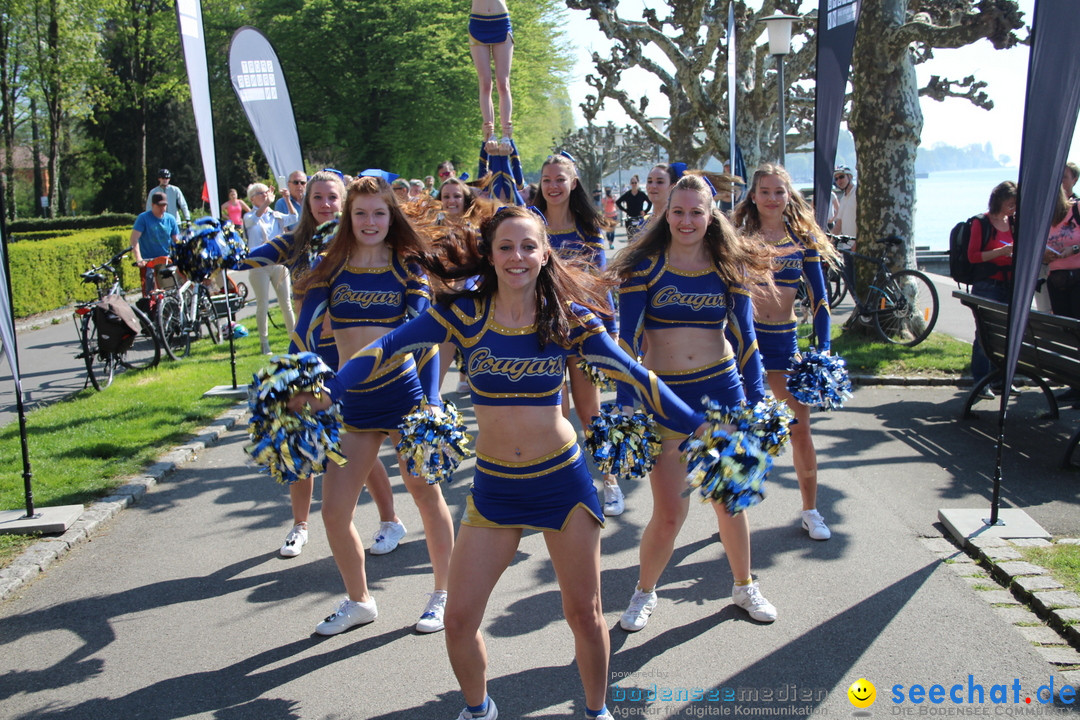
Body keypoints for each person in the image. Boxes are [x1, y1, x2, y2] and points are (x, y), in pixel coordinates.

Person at [291, 206, 706, 720]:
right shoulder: (462, 313)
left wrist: (699, 425)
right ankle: (478, 708)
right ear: (489, 254)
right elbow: (385, 348)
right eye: (506, 246)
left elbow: (639, 377)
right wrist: (328, 391)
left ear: (545, 252)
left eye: (528, 246)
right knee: (461, 619)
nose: (517, 257)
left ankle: (597, 711)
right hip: (494, 487)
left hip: (561, 480)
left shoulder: (568, 318)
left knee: (584, 613)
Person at [611, 174, 779, 633]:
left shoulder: (729, 267)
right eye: (678, 211)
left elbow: (747, 340)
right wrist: (627, 405)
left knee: (731, 501)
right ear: (667, 214)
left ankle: (744, 585)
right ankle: (644, 591)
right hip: (664, 398)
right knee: (669, 512)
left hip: (722, 395)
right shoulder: (643, 268)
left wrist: (757, 400)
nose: (687, 220)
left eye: (696, 212)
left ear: (711, 216)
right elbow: (625, 343)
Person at [291, 175, 455, 636]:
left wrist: (434, 400)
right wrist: (297, 380)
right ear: (348, 217)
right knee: (334, 511)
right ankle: (360, 601)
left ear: (392, 216)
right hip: (352, 403)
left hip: (403, 397)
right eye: (360, 213)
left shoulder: (409, 270)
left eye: (378, 213)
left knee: (424, 493)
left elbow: (418, 336)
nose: (369, 221)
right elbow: (305, 333)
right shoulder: (330, 270)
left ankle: (442, 594)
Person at [236, 170, 401, 559]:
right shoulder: (295, 243)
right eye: (318, 198)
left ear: (345, 202)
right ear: (307, 202)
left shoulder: (359, 243)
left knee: (355, 443)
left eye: (333, 198)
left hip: (351, 358)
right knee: (300, 438)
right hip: (308, 356)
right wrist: (217, 254)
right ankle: (299, 525)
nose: (326, 204)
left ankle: (390, 520)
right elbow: (252, 258)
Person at [732, 163, 840, 543]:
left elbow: (821, 301)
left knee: (800, 430)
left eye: (780, 191)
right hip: (745, 346)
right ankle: (734, 513)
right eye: (765, 191)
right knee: (743, 432)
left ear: (788, 195)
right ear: (754, 196)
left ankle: (811, 510)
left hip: (785, 343)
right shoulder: (738, 239)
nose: (773, 198)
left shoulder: (803, 240)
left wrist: (822, 351)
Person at [533, 152, 625, 516]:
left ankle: (611, 482)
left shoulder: (589, 229)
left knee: (591, 414)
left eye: (560, 179)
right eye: (547, 180)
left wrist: (612, 332)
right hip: (540, 334)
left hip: (582, 333)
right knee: (555, 416)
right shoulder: (532, 223)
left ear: (574, 183)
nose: (553, 186)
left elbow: (601, 287)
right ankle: (568, 485)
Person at [966, 181, 1017, 399]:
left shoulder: (1013, 222)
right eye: (1010, 203)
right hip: (988, 285)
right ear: (999, 200)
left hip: (1008, 283)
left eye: (1015, 204)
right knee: (985, 334)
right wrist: (1002, 251)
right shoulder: (982, 223)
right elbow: (973, 256)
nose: (1013, 208)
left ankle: (999, 379)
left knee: (1005, 334)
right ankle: (980, 380)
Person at [244, 183, 298, 355]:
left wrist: (287, 199)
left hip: (278, 263)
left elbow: (294, 217)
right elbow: (254, 220)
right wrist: (267, 202)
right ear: (252, 199)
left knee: (286, 303)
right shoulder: (249, 216)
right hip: (259, 265)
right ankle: (264, 342)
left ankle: (294, 339)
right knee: (263, 304)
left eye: (266, 193)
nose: (265, 196)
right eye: (261, 194)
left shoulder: (274, 215)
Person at [469, 0, 514, 153]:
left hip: (500, 20)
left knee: (503, 82)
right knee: (485, 82)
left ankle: (506, 134)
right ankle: (490, 132)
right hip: (478, 21)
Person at [131, 192, 180, 292]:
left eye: (164, 205)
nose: (162, 208)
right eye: (159, 205)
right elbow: (134, 239)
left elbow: (176, 240)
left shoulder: (170, 219)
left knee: (171, 288)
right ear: (153, 205)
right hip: (149, 261)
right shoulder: (143, 218)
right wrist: (139, 258)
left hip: (166, 259)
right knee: (150, 290)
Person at [832, 166, 858, 293]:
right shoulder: (843, 198)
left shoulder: (857, 193)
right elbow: (839, 223)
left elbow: (863, 218)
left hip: (857, 246)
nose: (839, 180)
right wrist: (828, 242)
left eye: (841, 177)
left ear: (850, 177)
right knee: (850, 281)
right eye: (836, 179)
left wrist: (858, 242)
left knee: (858, 281)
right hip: (847, 246)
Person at [616, 175, 652, 241]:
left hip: (639, 218)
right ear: (630, 184)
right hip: (630, 218)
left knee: (640, 237)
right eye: (632, 183)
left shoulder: (641, 194)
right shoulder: (627, 194)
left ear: (638, 183)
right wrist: (625, 210)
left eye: (635, 183)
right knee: (631, 238)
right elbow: (618, 202)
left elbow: (650, 202)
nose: (634, 184)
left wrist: (645, 211)